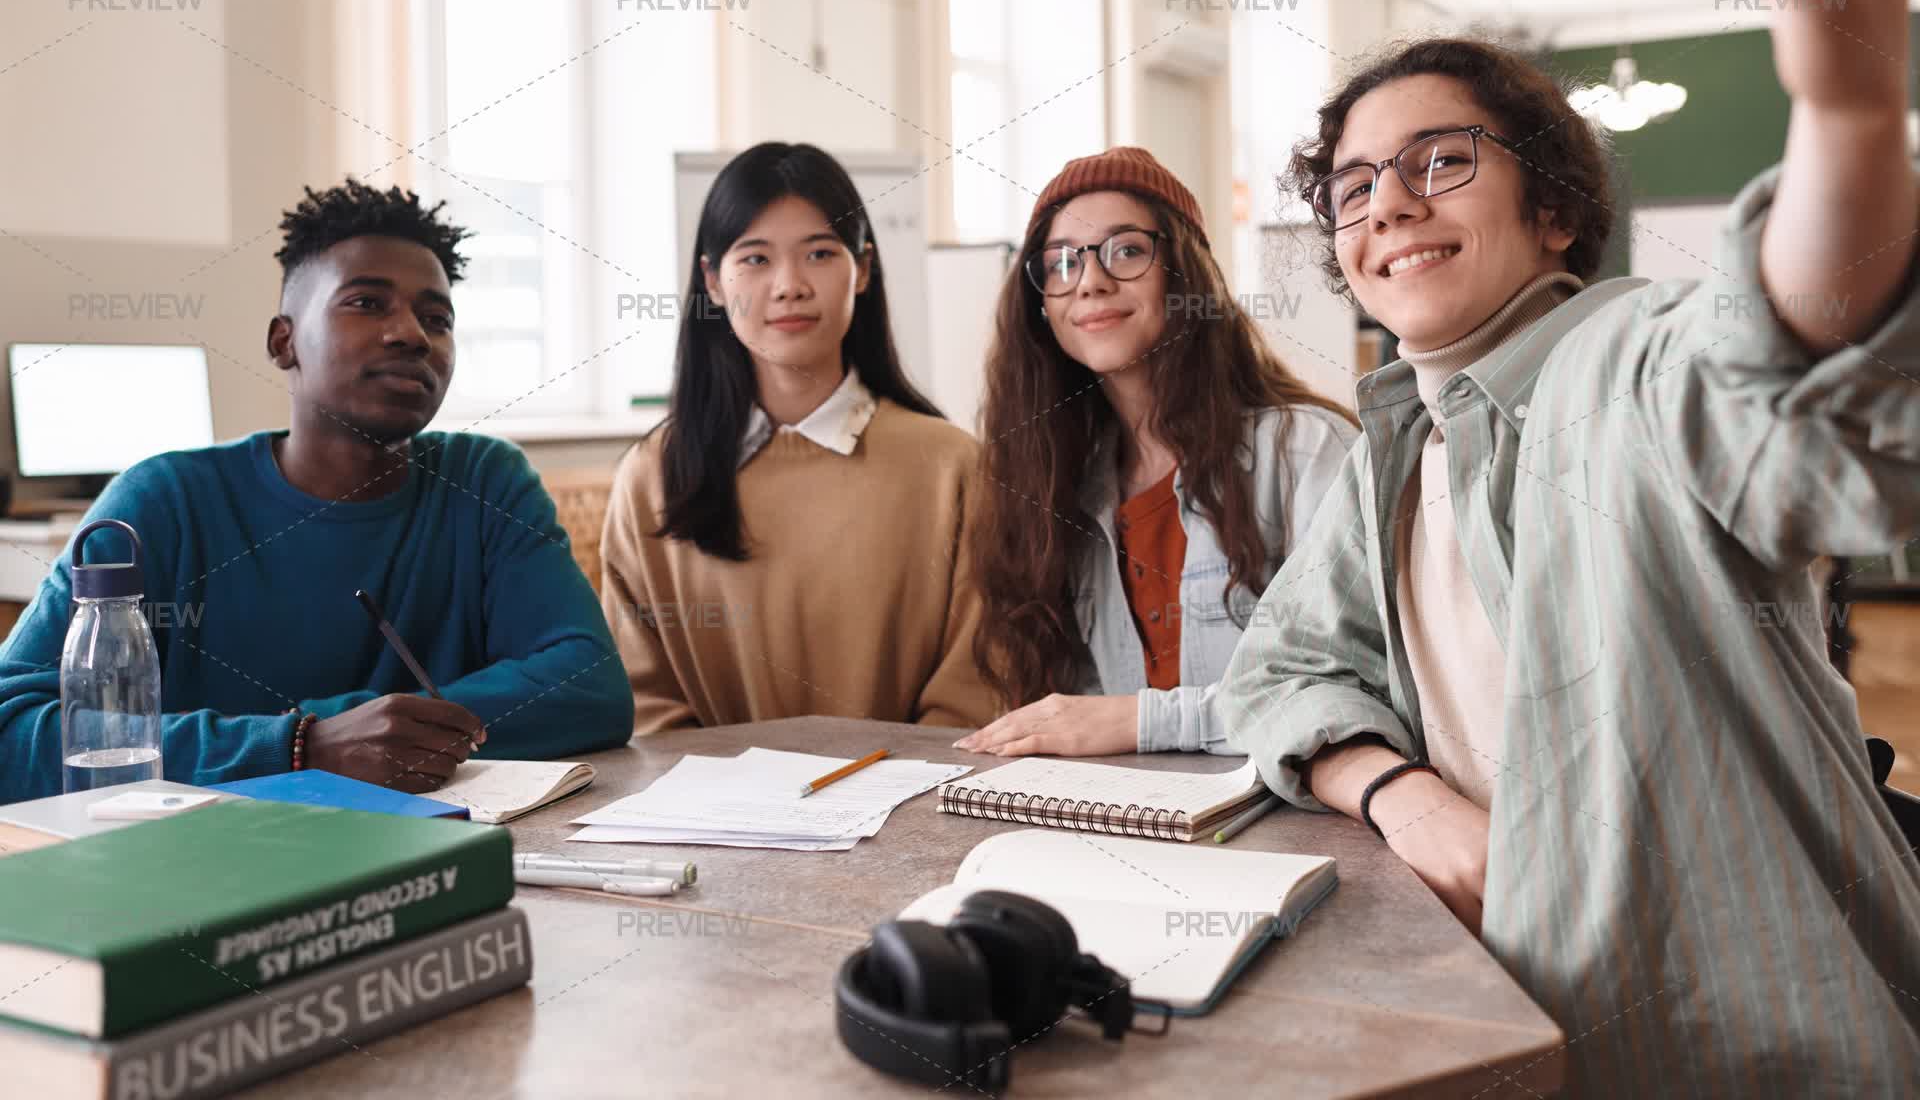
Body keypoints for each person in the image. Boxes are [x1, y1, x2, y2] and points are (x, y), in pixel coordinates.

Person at [1218, 0, 1920, 1089]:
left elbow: (1789, 345)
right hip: (1506, 1014)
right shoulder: (1399, 439)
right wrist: (1399, 792)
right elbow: (1280, 668)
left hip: (1737, 1052)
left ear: (1553, 209)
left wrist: (1850, 106)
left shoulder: (1627, 361)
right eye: (1355, 186)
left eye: (1441, 162)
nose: (1389, 204)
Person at [0, 180, 634, 801]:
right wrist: (299, 746)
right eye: (367, 303)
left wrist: (361, 732)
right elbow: (10, 734)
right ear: (284, 342)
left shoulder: (485, 480)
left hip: (435, 849)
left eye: (436, 318)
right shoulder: (163, 501)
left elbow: (592, 689)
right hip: (199, 857)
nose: (412, 334)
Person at [955, 147, 1356, 758]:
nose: (1090, 280)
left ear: (1185, 273)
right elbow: (1078, 712)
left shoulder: (1305, 450)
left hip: (1288, 809)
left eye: (1126, 251)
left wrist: (1141, 722)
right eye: (1061, 262)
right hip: (1135, 809)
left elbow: (1341, 690)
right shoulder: (1061, 484)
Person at [601, 142, 996, 731]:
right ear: (713, 282)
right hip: (704, 794)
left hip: (920, 788)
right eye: (756, 259)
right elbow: (642, 704)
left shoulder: (951, 464)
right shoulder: (653, 474)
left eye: (819, 253)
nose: (789, 285)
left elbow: (975, 688)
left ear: (863, 269)